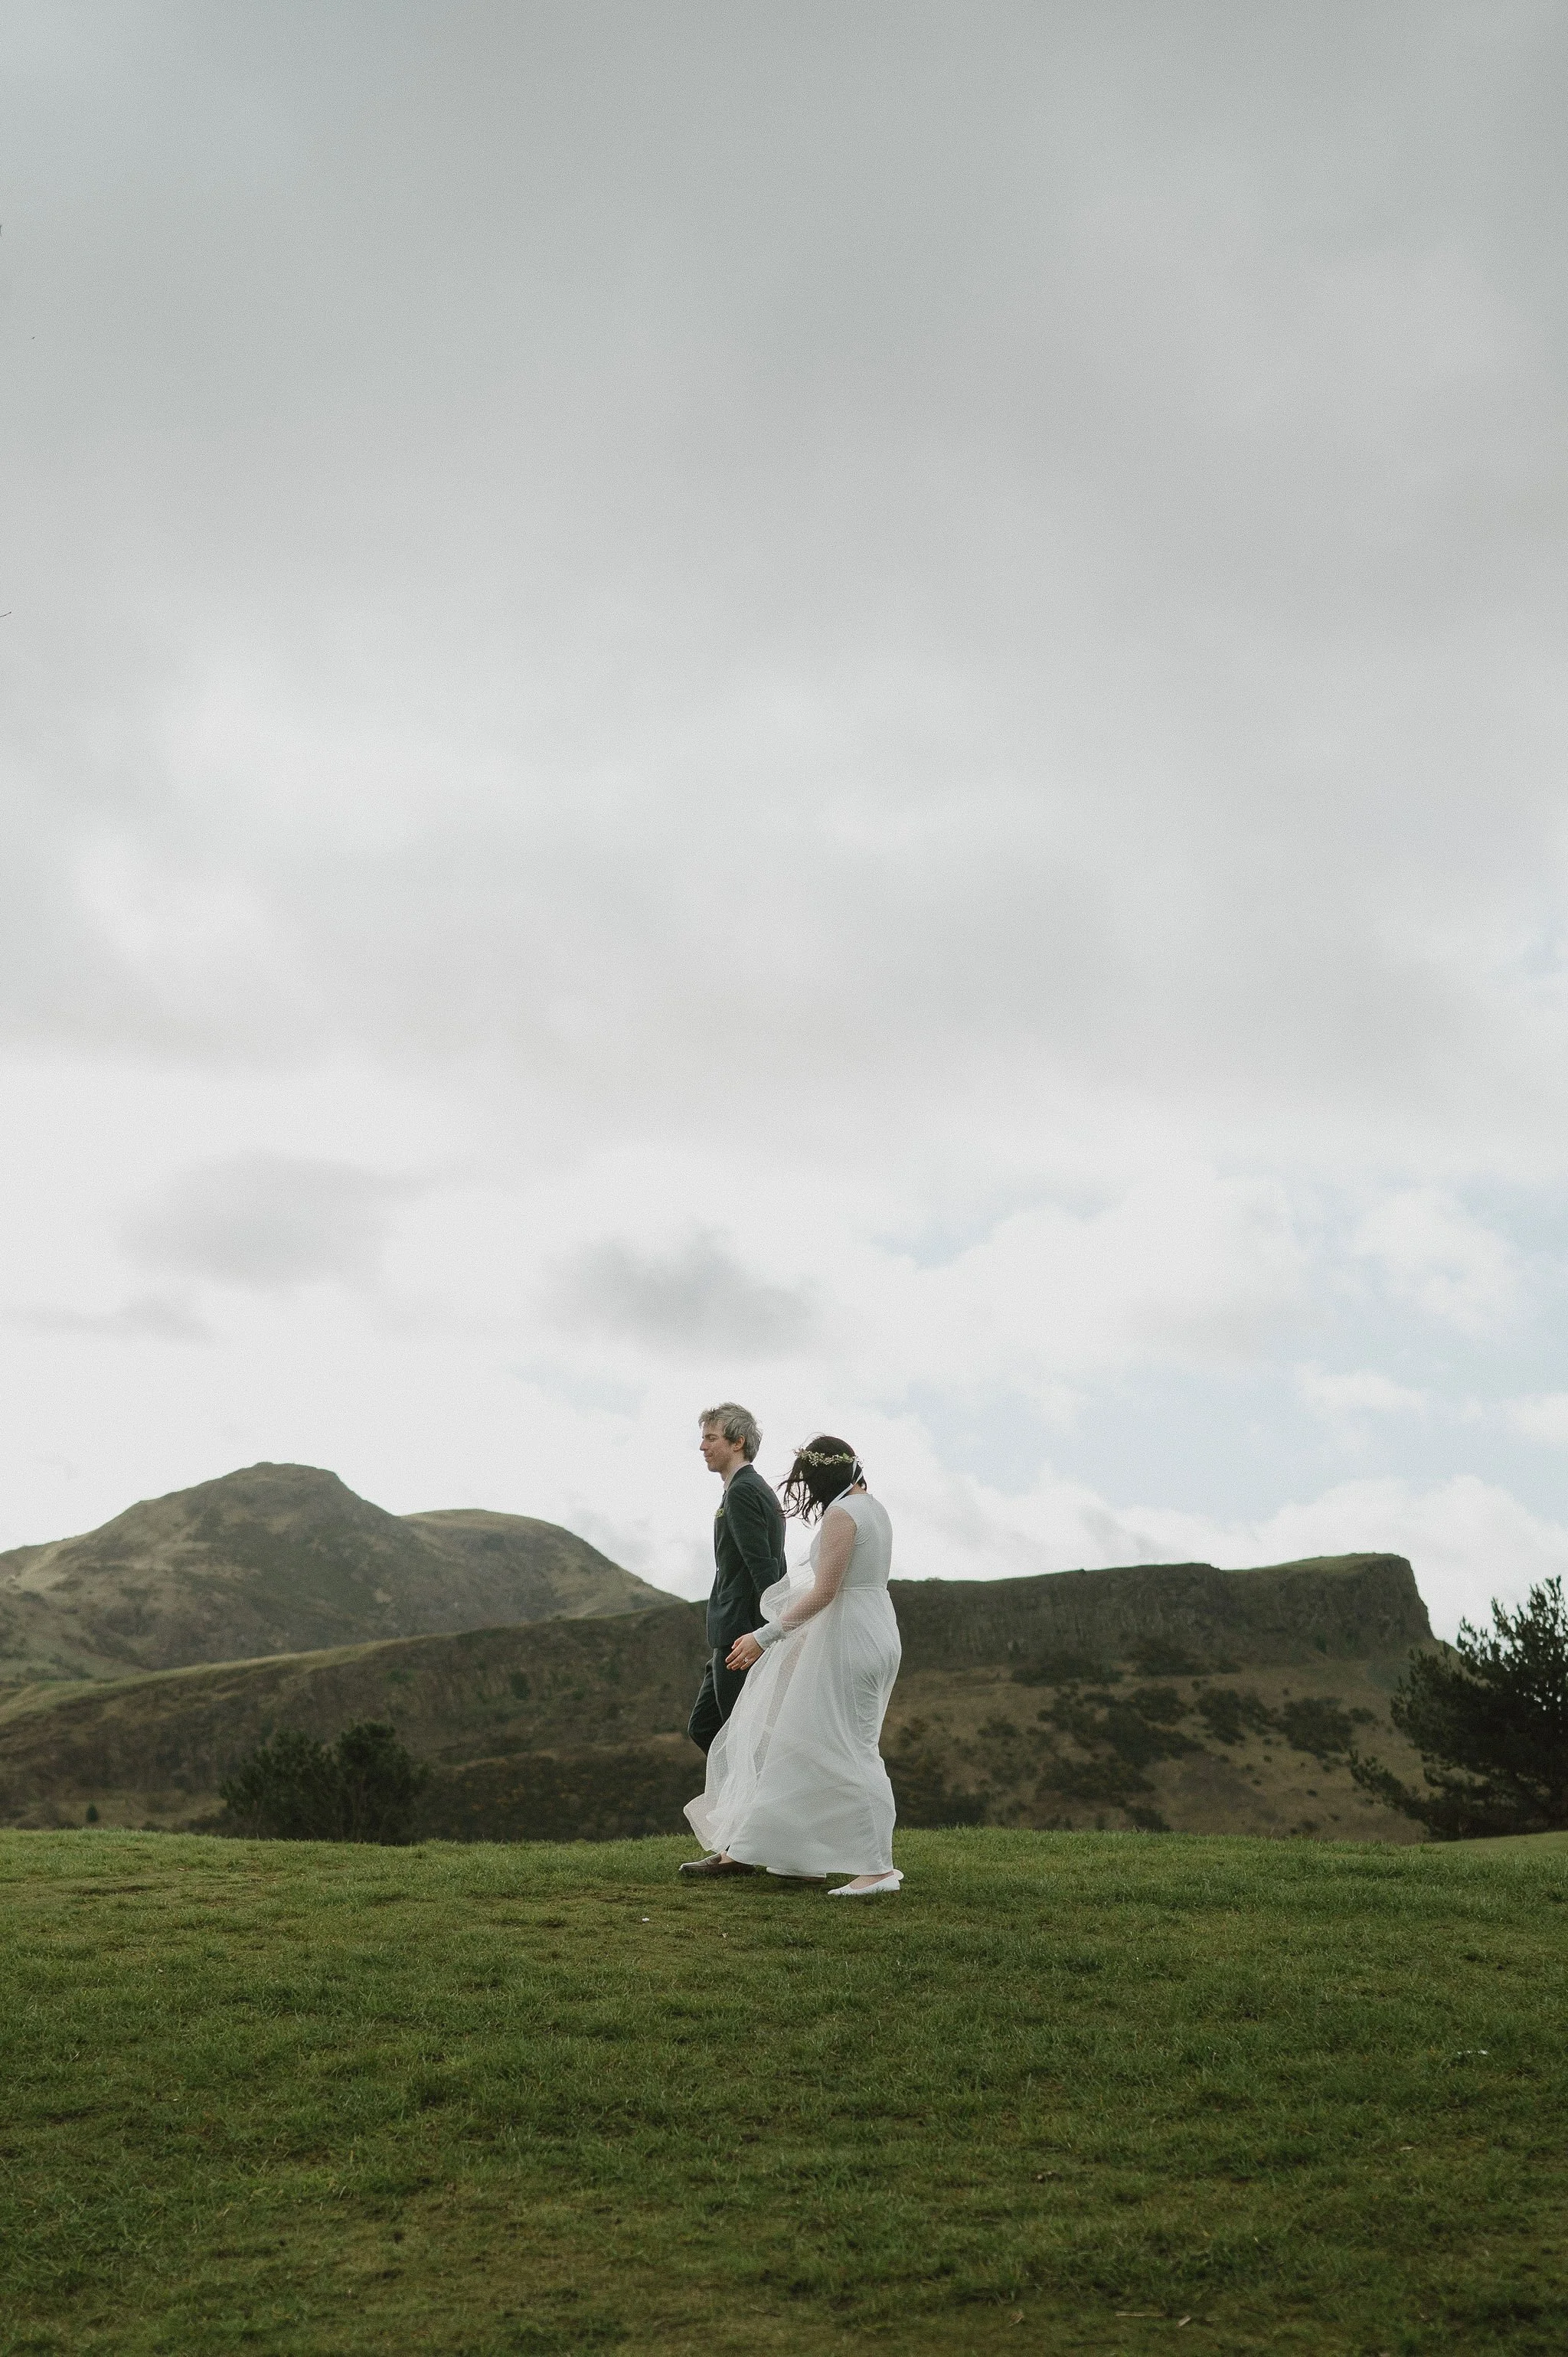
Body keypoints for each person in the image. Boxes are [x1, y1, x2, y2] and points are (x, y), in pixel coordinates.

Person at [681, 1433, 903, 1896]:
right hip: (873, 1628)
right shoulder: (875, 1508)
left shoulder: (844, 1514)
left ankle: (878, 1869)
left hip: (850, 1637)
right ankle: (803, 1857)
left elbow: (826, 1591)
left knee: (852, 1747)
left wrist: (768, 1635)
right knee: (813, 1740)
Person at [683, 1403, 788, 1794]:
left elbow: (764, 1569)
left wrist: (769, 1634)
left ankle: (741, 1843)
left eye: (711, 1438)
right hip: (730, 1632)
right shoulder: (743, 1490)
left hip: (742, 1636)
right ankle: (744, 1822)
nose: (702, 1447)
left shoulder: (744, 1492)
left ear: (737, 1441)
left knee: (741, 1742)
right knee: (706, 1727)